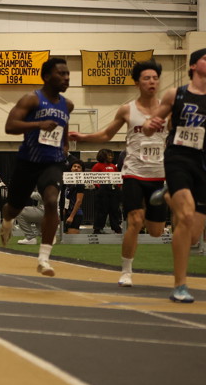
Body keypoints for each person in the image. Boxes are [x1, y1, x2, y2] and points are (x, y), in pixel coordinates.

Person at [142, 48, 206, 303]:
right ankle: (180, 285)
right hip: (178, 159)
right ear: (193, 65)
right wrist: (151, 125)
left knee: (194, 235)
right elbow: (150, 126)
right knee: (184, 217)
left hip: (204, 165)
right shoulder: (176, 94)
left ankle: (169, 195)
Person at [70, 60, 168, 287]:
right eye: (146, 78)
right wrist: (83, 137)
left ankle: (149, 214)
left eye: (155, 78)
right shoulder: (127, 109)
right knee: (134, 221)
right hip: (133, 173)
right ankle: (126, 271)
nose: (152, 82)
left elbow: (176, 138)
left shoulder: (167, 110)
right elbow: (106, 134)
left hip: (158, 175)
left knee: (156, 231)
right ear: (137, 83)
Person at [0, 57, 74, 276]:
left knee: (51, 201)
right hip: (28, 161)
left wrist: (65, 147)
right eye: (61, 74)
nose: (66, 78)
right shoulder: (32, 99)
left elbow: (63, 129)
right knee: (14, 208)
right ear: (47, 76)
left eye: (68, 74)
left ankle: (44, 259)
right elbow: (10, 126)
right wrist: (39, 124)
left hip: (53, 162)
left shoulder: (67, 105)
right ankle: (7, 219)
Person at [62, 160, 86, 235]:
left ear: (82, 171)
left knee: (72, 237)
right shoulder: (67, 182)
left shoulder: (80, 183)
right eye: (74, 166)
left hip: (75, 214)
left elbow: (79, 201)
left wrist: (71, 216)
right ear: (71, 168)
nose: (76, 168)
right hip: (67, 212)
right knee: (66, 236)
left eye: (79, 167)